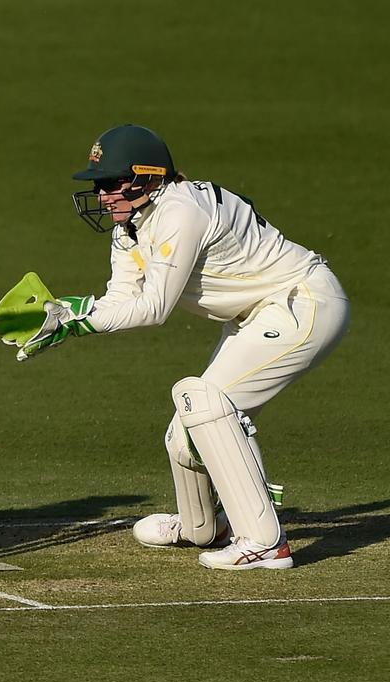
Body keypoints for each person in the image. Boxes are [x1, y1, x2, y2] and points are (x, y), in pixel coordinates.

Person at [17, 124, 349, 570]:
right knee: (184, 436)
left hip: (302, 303)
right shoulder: (132, 224)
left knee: (201, 400)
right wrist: (67, 313)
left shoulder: (180, 210)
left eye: (113, 183)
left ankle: (265, 542)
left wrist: (76, 322)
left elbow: (154, 307)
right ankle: (204, 528)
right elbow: (122, 298)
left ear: (149, 176)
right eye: (99, 184)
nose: (104, 194)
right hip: (258, 312)